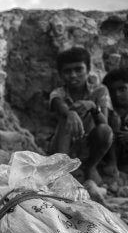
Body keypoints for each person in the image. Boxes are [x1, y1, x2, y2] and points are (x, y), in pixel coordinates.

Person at [48, 47, 115, 185]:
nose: (73, 75)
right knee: (66, 118)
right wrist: (70, 113)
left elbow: (105, 125)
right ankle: (62, 171)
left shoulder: (100, 90)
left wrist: (92, 106)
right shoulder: (58, 93)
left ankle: (90, 166)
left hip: (89, 146)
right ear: (60, 75)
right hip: (64, 146)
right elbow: (58, 104)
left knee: (105, 130)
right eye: (67, 71)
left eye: (78, 69)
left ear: (88, 70)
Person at [103, 67, 128, 176]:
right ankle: (113, 164)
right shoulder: (108, 111)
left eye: (122, 89)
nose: (117, 94)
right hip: (112, 153)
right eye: (112, 91)